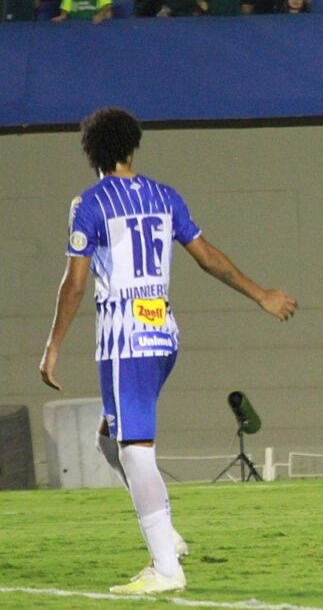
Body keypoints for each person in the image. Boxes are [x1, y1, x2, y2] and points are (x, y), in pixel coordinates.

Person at [39, 107, 298, 594]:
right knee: (107, 439)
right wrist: (260, 293)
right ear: (132, 149)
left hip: (125, 339)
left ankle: (166, 568)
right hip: (163, 336)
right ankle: (169, 536)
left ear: (92, 154)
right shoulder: (164, 197)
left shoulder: (90, 204)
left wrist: (52, 347)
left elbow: (74, 284)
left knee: (135, 453)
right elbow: (208, 258)